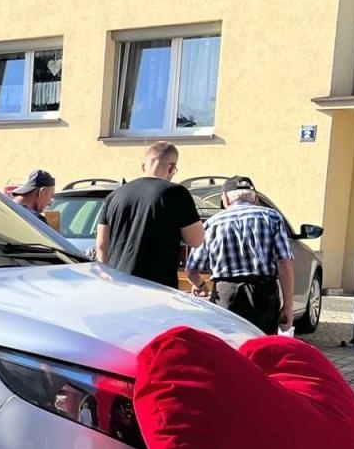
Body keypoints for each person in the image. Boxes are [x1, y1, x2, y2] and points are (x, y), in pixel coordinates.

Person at [185, 176, 295, 335]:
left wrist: (202, 286)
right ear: (255, 198)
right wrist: (288, 307)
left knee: (230, 349)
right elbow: (284, 262)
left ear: (225, 199)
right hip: (263, 293)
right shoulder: (272, 218)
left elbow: (191, 271)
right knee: (262, 347)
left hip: (226, 294)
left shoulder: (212, 223)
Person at [94, 141, 205, 287]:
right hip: (157, 285)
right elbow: (196, 240)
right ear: (171, 168)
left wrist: (105, 276)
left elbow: (101, 245)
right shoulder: (176, 193)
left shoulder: (114, 195)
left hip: (118, 283)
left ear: (143, 166)